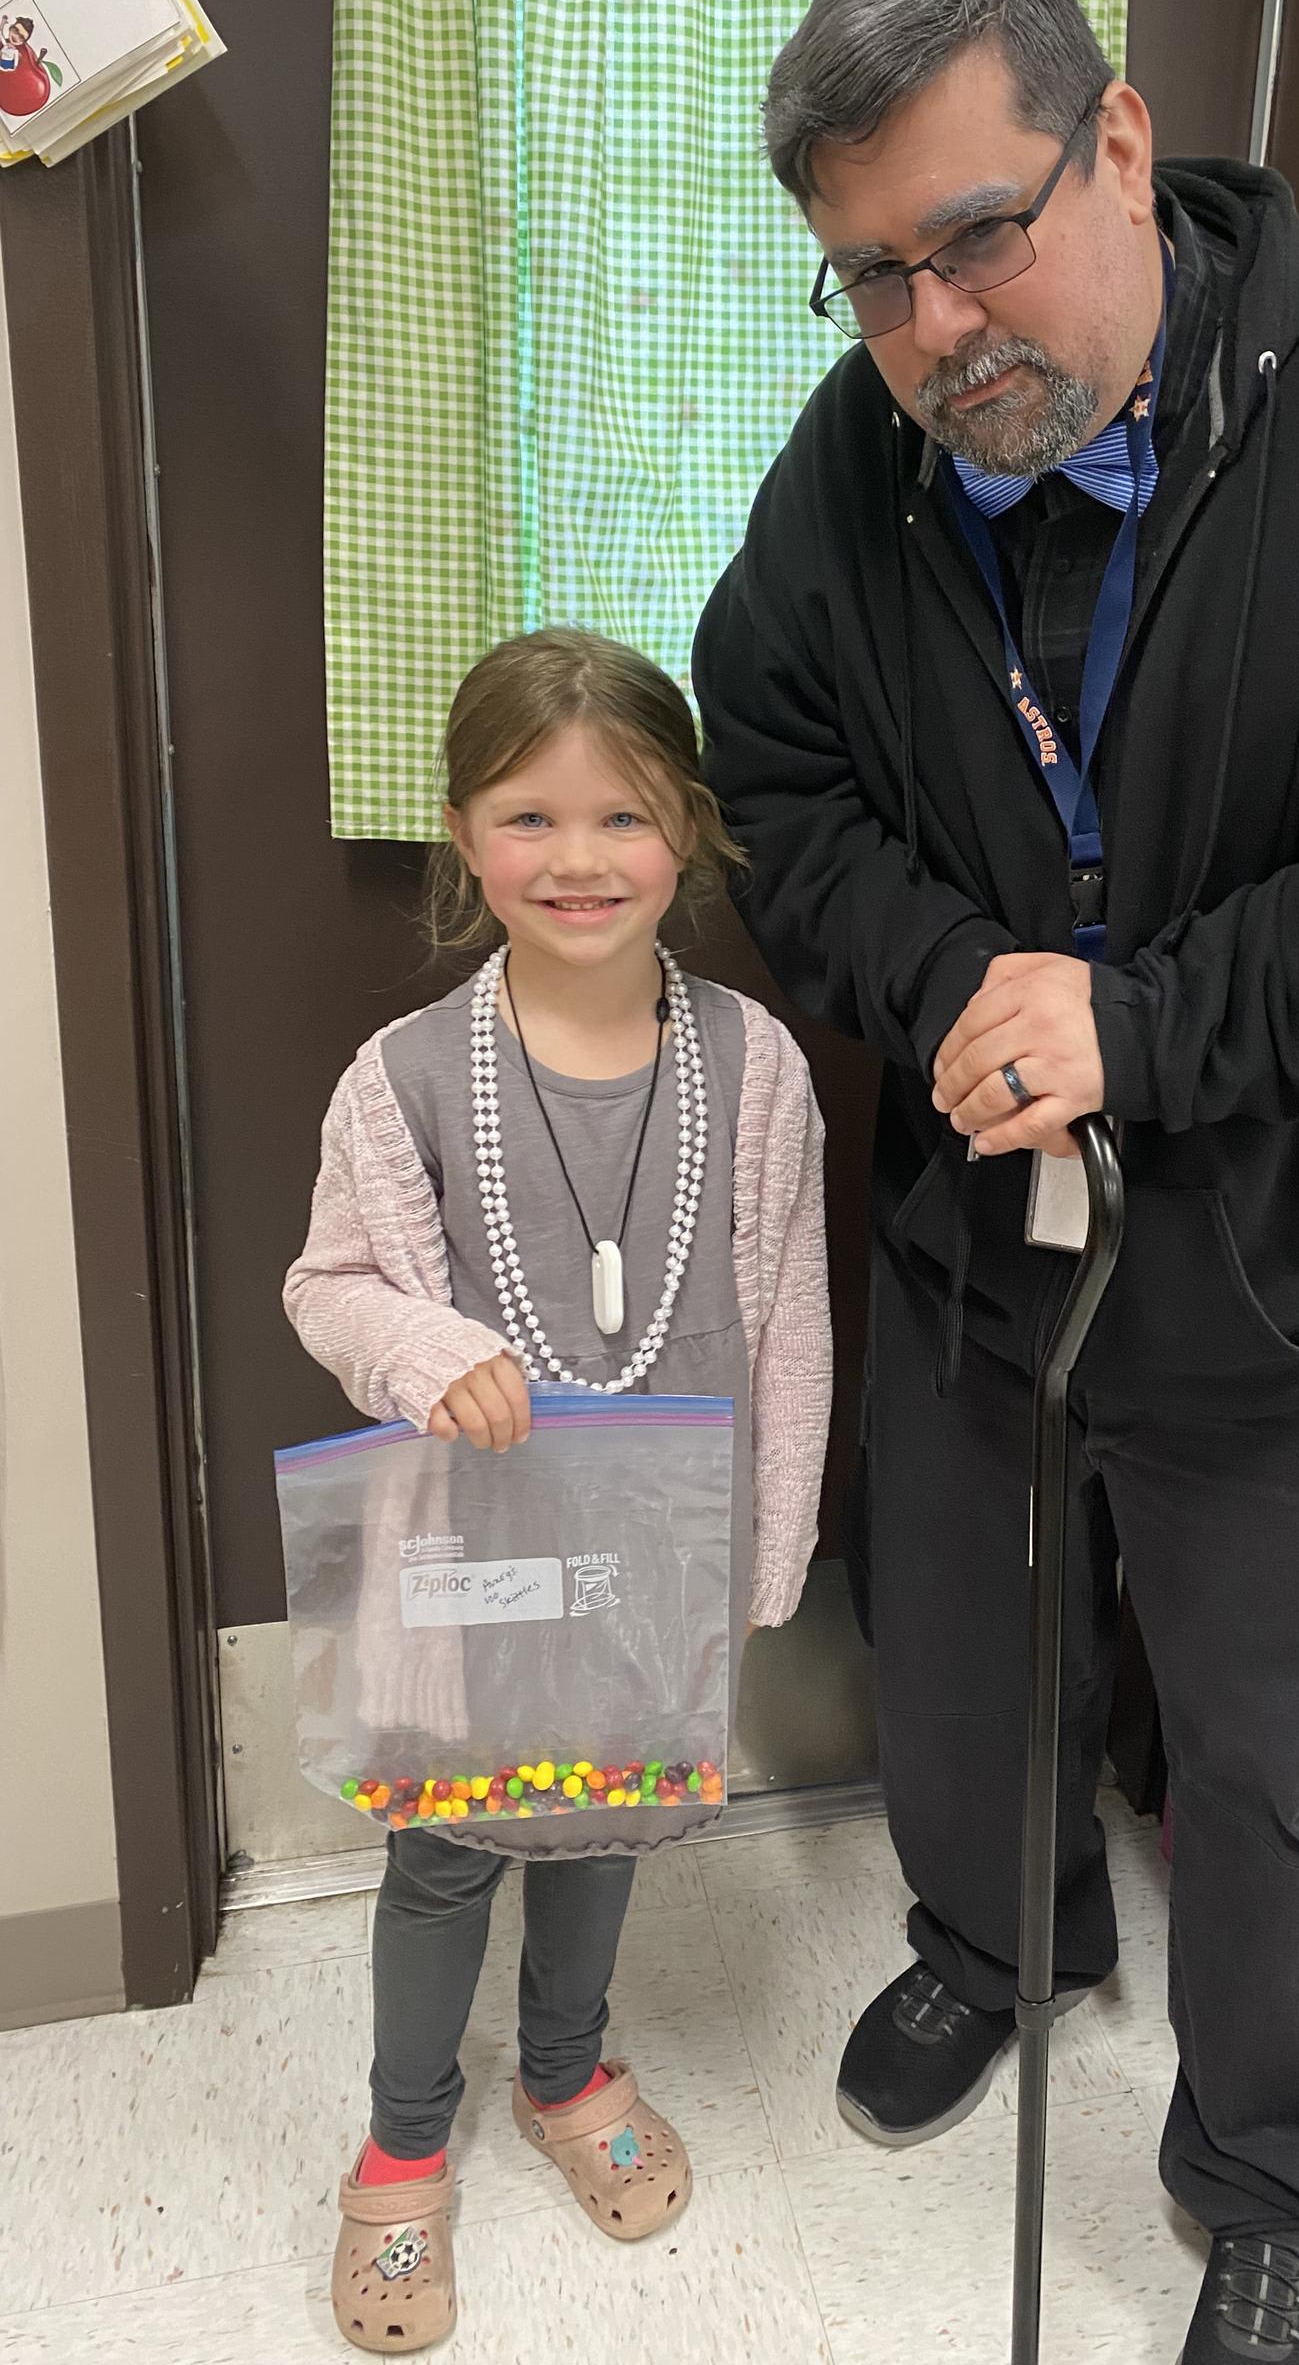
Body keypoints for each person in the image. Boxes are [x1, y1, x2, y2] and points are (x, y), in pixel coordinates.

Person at [693, 0, 1299, 2365]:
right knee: (959, 1654)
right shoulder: (862, 468)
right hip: (993, 1240)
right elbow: (772, 763)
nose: (931, 327)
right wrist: (950, 982)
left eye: (975, 236)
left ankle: (1285, 2172)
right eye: (870, 278)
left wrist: (1143, 1019)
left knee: (1292, 1766)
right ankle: (1000, 1940)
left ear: (1114, 144)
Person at [285, 630, 830, 2354]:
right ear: (462, 833)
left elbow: (791, 1312)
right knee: (447, 1855)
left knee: (607, 1824)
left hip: (657, 1562)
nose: (577, 860)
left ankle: (567, 2070)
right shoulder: (403, 1076)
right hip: (472, 1564)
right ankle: (402, 2142)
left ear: (691, 831)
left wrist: (769, 1544)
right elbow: (329, 1283)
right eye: (529, 817)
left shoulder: (756, 1068)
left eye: (624, 816)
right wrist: (421, 1346)